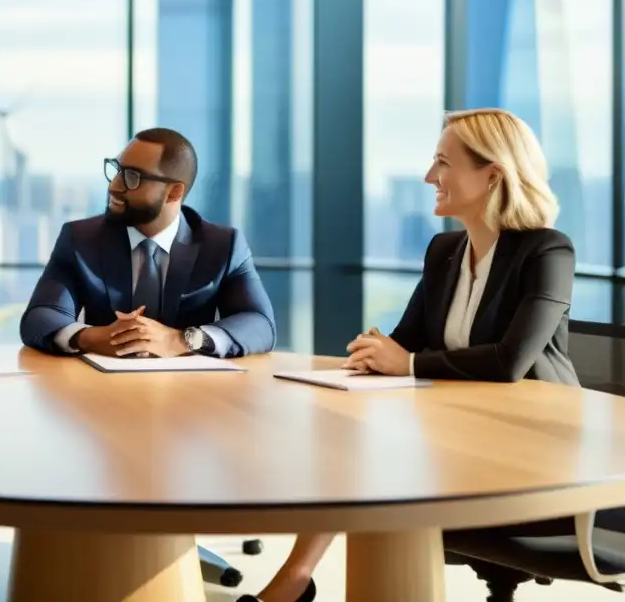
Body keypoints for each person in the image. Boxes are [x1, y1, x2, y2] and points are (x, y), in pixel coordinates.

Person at [238, 107, 579, 602]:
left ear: (493, 174)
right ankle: (293, 580)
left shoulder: (548, 252)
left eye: (443, 162)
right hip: (458, 437)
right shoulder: (444, 251)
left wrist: (409, 363)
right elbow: (406, 341)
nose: (428, 177)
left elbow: (510, 362)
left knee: (369, 463)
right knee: (349, 442)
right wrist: (376, 354)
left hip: (533, 453)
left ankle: (292, 585)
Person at [20, 127, 275, 359]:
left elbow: (260, 324)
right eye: (117, 170)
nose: (115, 186)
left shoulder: (223, 245)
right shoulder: (80, 238)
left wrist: (182, 339)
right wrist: (95, 337)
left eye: (132, 177)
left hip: (192, 395)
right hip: (101, 391)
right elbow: (39, 317)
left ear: (174, 192)